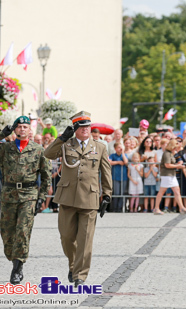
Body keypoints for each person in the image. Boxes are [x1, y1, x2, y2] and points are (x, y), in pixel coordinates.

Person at [43, 111, 112, 287]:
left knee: (85, 239)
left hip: (89, 198)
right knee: (66, 237)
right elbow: (48, 154)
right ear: (75, 129)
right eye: (82, 127)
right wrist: (61, 138)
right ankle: (73, 265)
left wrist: (107, 194)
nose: (86, 130)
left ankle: (80, 275)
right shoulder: (67, 144)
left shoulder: (100, 147)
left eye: (88, 126)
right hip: (67, 198)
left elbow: (106, 172)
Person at [0, 116, 51, 284]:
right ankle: (13, 258)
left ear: (30, 130)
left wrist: (41, 198)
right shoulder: (6, 148)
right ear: (15, 129)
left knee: (23, 231)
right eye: (18, 126)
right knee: (7, 232)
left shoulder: (38, 150)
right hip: (9, 194)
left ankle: (17, 267)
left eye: (25, 126)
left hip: (28, 194)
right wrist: (2, 134)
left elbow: (46, 176)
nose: (21, 129)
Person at [154, 139, 186, 214]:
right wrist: (178, 166)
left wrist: (178, 163)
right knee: (162, 191)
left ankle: (181, 208)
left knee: (176, 191)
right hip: (167, 175)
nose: (175, 149)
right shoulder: (167, 153)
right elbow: (167, 165)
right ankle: (156, 208)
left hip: (171, 174)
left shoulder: (170, 153)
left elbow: (175, 161)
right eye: (175, 147)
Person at [109, 142, 128, 213]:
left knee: (122, 193)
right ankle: (114, 208)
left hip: (124, 177)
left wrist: (123, 153)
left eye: (121, 147)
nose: (120, 149)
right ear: (115, 149)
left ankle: (120, 208)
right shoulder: (113, 155)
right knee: (116, 193)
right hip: (115, 177)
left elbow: (126, 162)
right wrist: (118, 162)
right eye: (119, 148)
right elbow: (109, 162)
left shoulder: (124, 155)